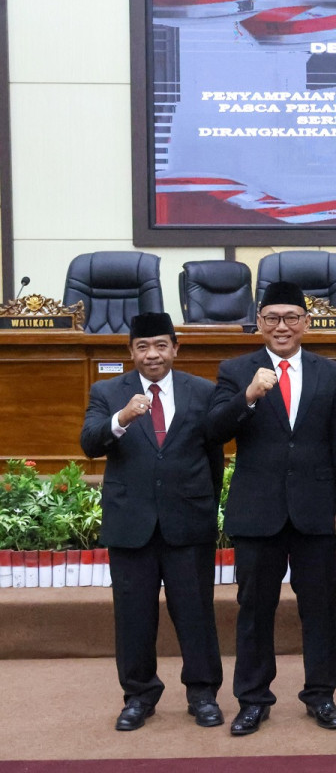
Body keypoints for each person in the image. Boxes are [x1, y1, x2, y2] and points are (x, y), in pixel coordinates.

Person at [207, 281, 336, 735]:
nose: (282, 326)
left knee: (320, 608)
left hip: (315, 511)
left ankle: (321, 695)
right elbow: (213, 430)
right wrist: (249, 396)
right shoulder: (235, 370)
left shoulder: (328, 372)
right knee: (254, 609)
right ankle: (253, 699)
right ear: (259, 324)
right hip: (258, 511)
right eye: (272, 318)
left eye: (292, 317)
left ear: (307, 324)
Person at [80, 312, 224, 732]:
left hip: (187, 522)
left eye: (161, 345)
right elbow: (90, 443)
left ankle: (202, 694)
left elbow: (212, 456)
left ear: (176, 348)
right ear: (130, 352)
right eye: (142, 347)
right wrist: (122, 418)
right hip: (132, 525)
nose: (152, 354)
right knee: (134, 616)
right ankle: (139, 696)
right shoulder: (107, 391)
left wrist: (202, 504)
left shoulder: (203, 391)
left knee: (196, 613)